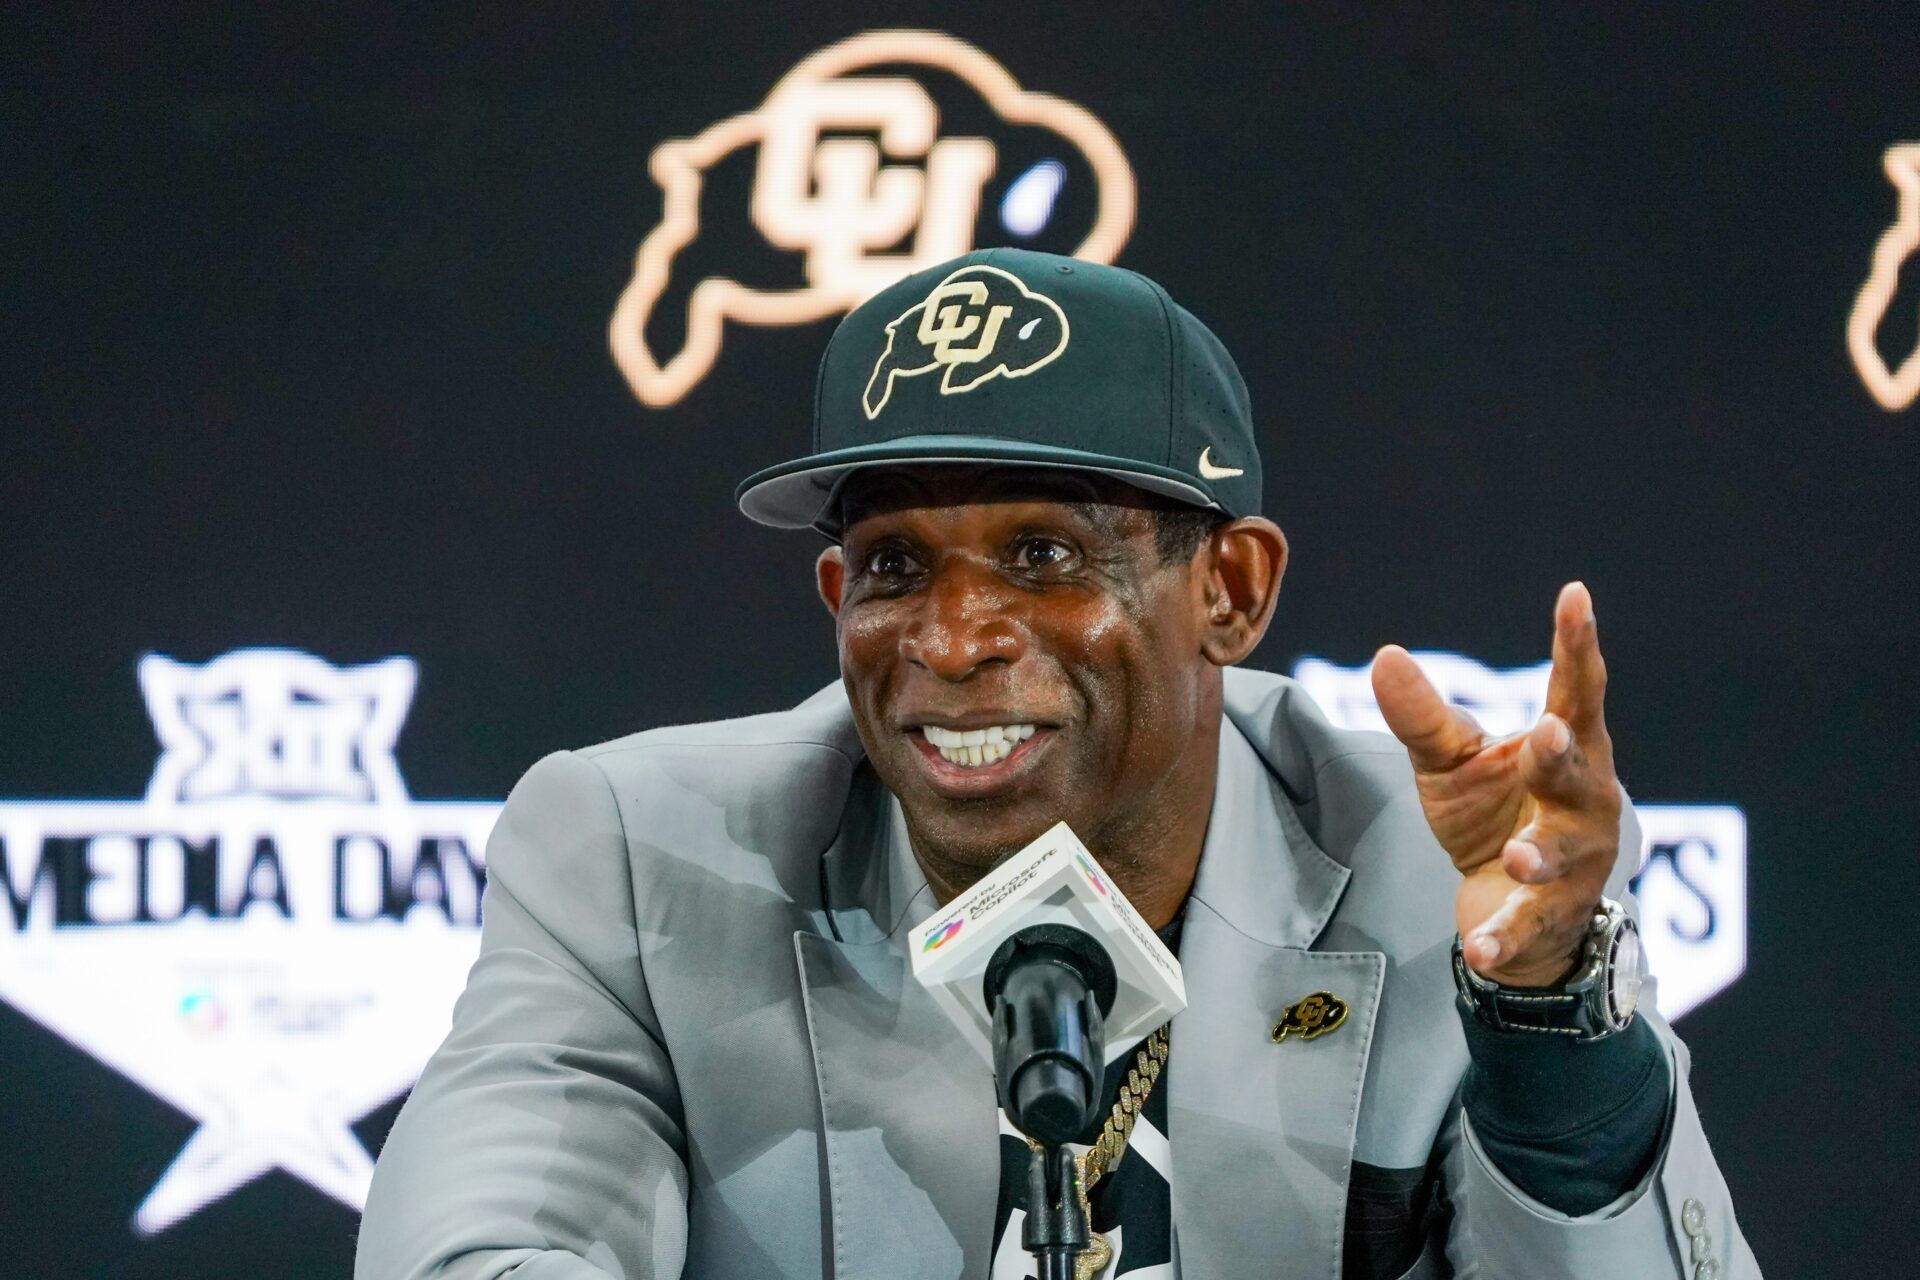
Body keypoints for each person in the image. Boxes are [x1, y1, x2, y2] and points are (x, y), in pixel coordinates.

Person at [356, 249, 1756, 1279]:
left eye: (1044, 555)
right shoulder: (638, 857)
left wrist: (1543, 1024)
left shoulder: (1435, 873)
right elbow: (477, 1254)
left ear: (1231, 590)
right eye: (895, 567)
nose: (954, 638)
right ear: (834, 590)